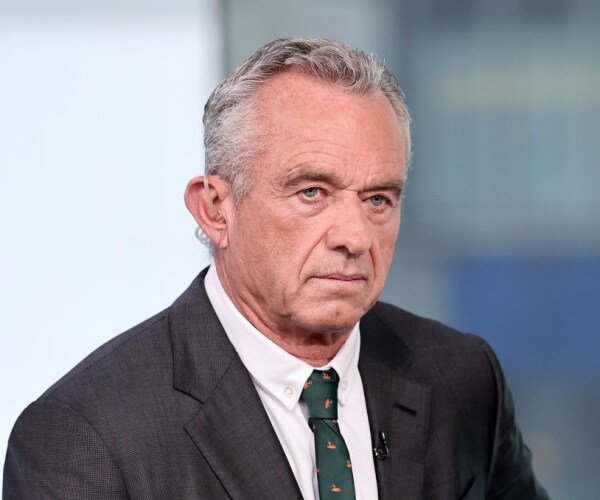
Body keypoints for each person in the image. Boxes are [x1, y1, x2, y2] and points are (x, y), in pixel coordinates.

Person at [3, 38, 548, 500]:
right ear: (216, 209)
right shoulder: (88, 436)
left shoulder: (463, 379)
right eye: (312, 192)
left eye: (378, 199)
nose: (355, 237)